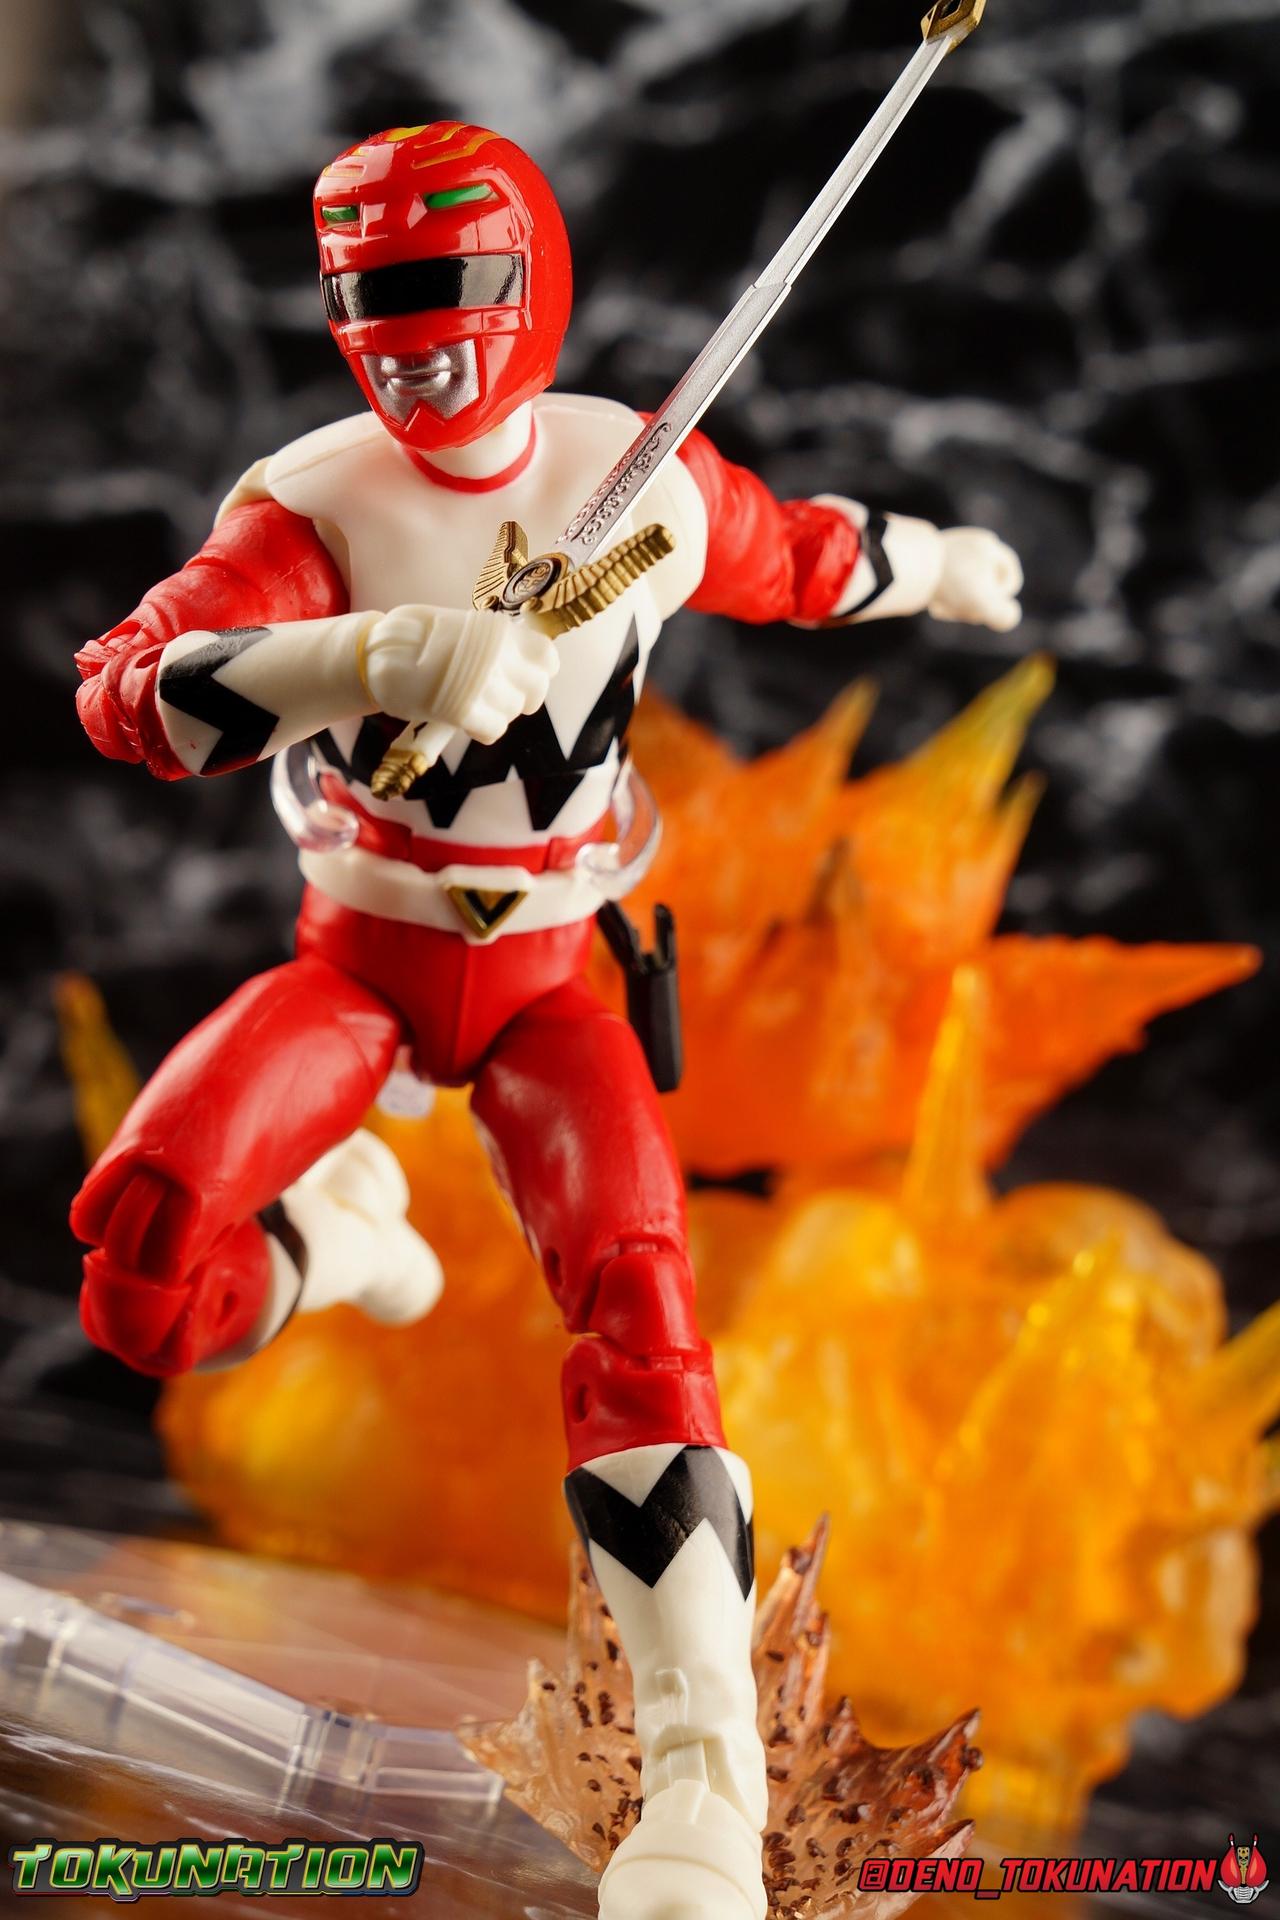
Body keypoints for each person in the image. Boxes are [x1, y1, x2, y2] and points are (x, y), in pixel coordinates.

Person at [72, 122, 1023, 1920]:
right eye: (373, 299)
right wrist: (370, 655)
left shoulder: (633, 480)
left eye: (452, 290)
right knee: (140, 1275)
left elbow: (797, 556)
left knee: (644, 1320)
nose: (416, 343)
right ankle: (334, 1248)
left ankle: (702, 1785)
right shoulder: (320, 513)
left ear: (529, 282)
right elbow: (130, 696)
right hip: (355, 965)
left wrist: (941, 561)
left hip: (544, 984)